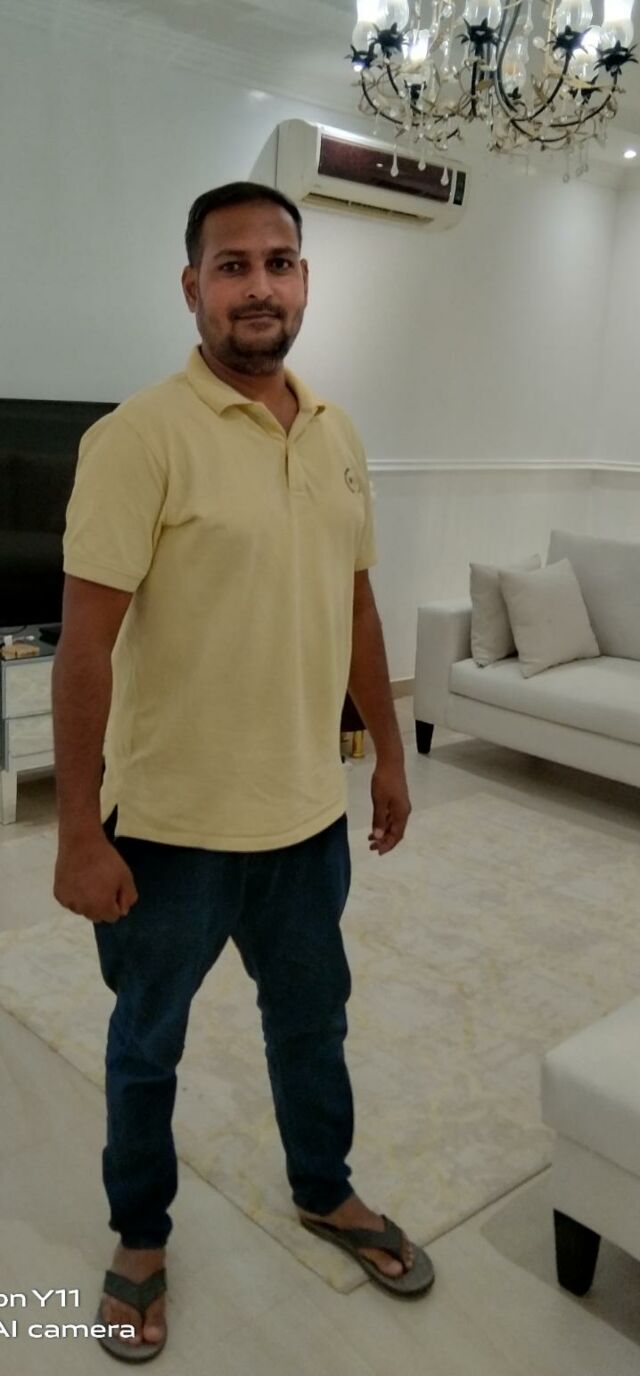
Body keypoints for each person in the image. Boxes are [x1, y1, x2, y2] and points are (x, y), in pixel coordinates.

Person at [52, 181, 434, 1363]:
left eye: (279, 261)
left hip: (305, 819)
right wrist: (77, 829)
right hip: (169, 828)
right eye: (232, 265)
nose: (258, 285)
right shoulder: (137, 437)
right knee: (147, 1042)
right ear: (193, 288)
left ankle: (325, 1187)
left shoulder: (336, 431)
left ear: (304, 280)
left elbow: (355, 606)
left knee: (312, 1023)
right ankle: (141, 1236)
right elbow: (83, 647)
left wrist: (385, 755)